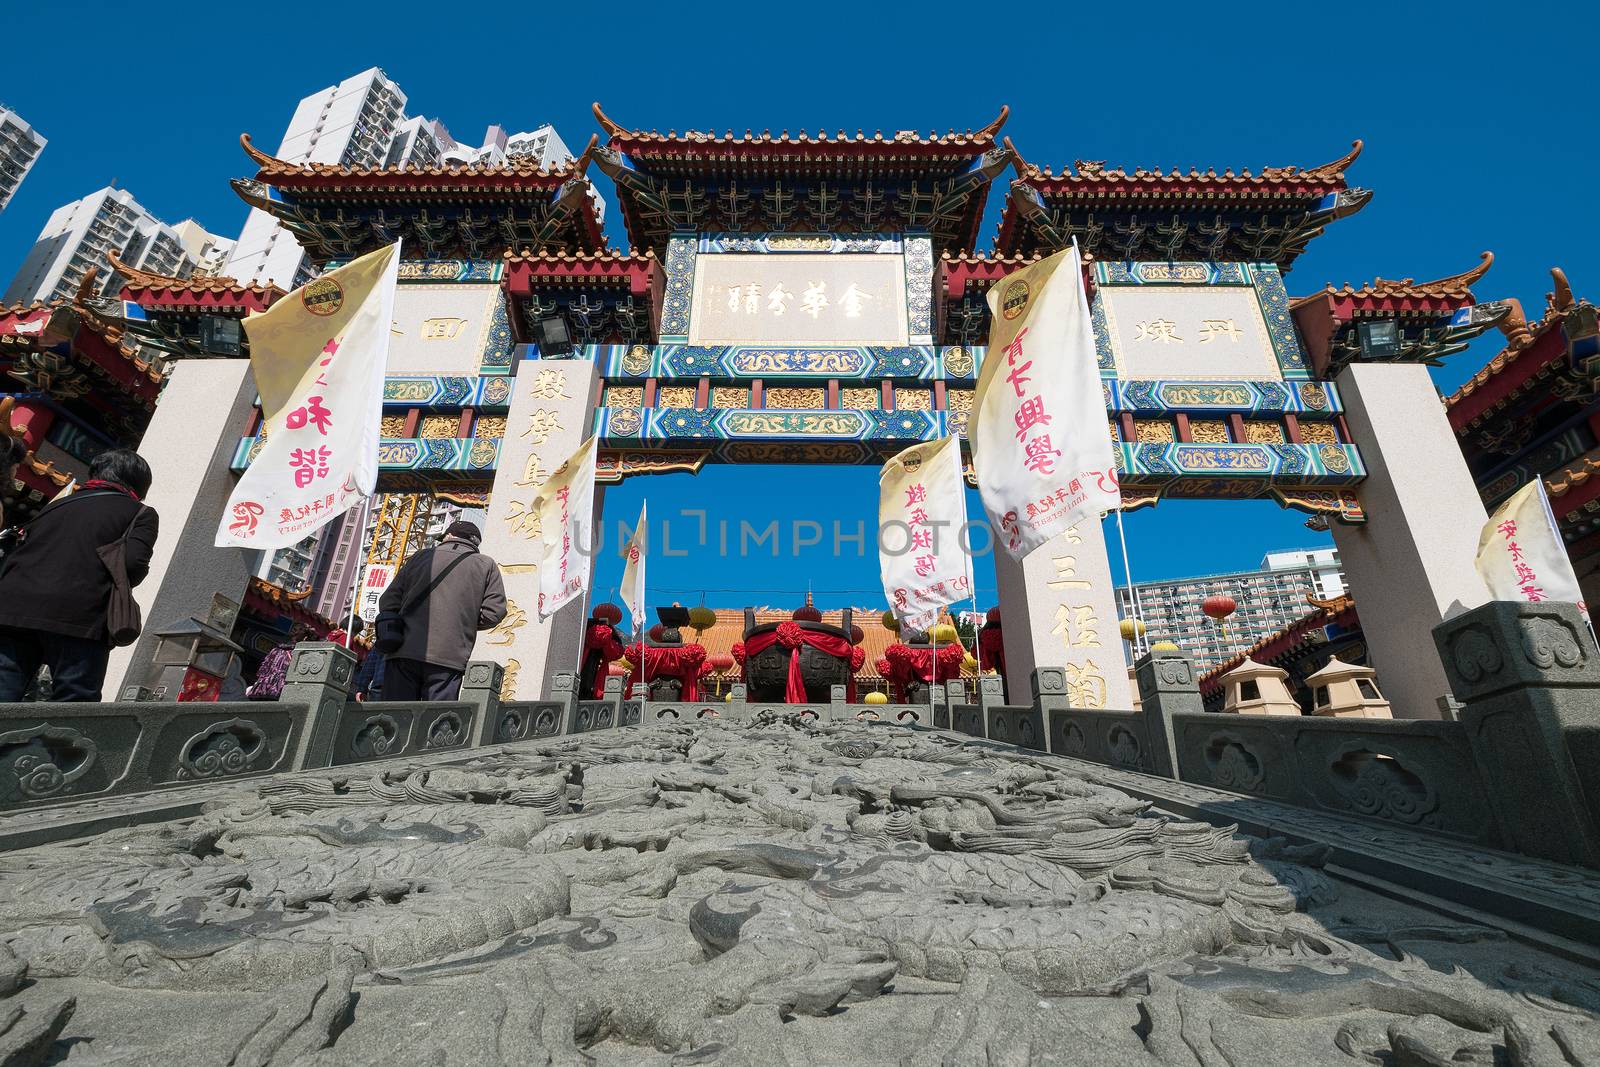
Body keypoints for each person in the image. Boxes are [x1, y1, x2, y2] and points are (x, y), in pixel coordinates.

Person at [0, 449, 159, 702]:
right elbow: (132, 564)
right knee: (74, 698)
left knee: (5, 687)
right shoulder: (139, 513)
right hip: (80, 613)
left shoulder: (58, 504)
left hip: (14, 607)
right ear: (140, 484)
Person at [377, 521, 505, 701]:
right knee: (437, 722)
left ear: (450, 536)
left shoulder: (421, 557)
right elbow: (495, 612)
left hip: (405, 649)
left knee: (395, 717)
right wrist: (463, 621)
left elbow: (388, 600)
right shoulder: (486, 565)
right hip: (450, 657)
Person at [247, 624, 313, 701]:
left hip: (283, 686)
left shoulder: (301, 653)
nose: (295, 631)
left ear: (305, 637)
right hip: (268, 685)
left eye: (300, 630)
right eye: (295, 629)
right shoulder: (278, 649)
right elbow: (266, 667)